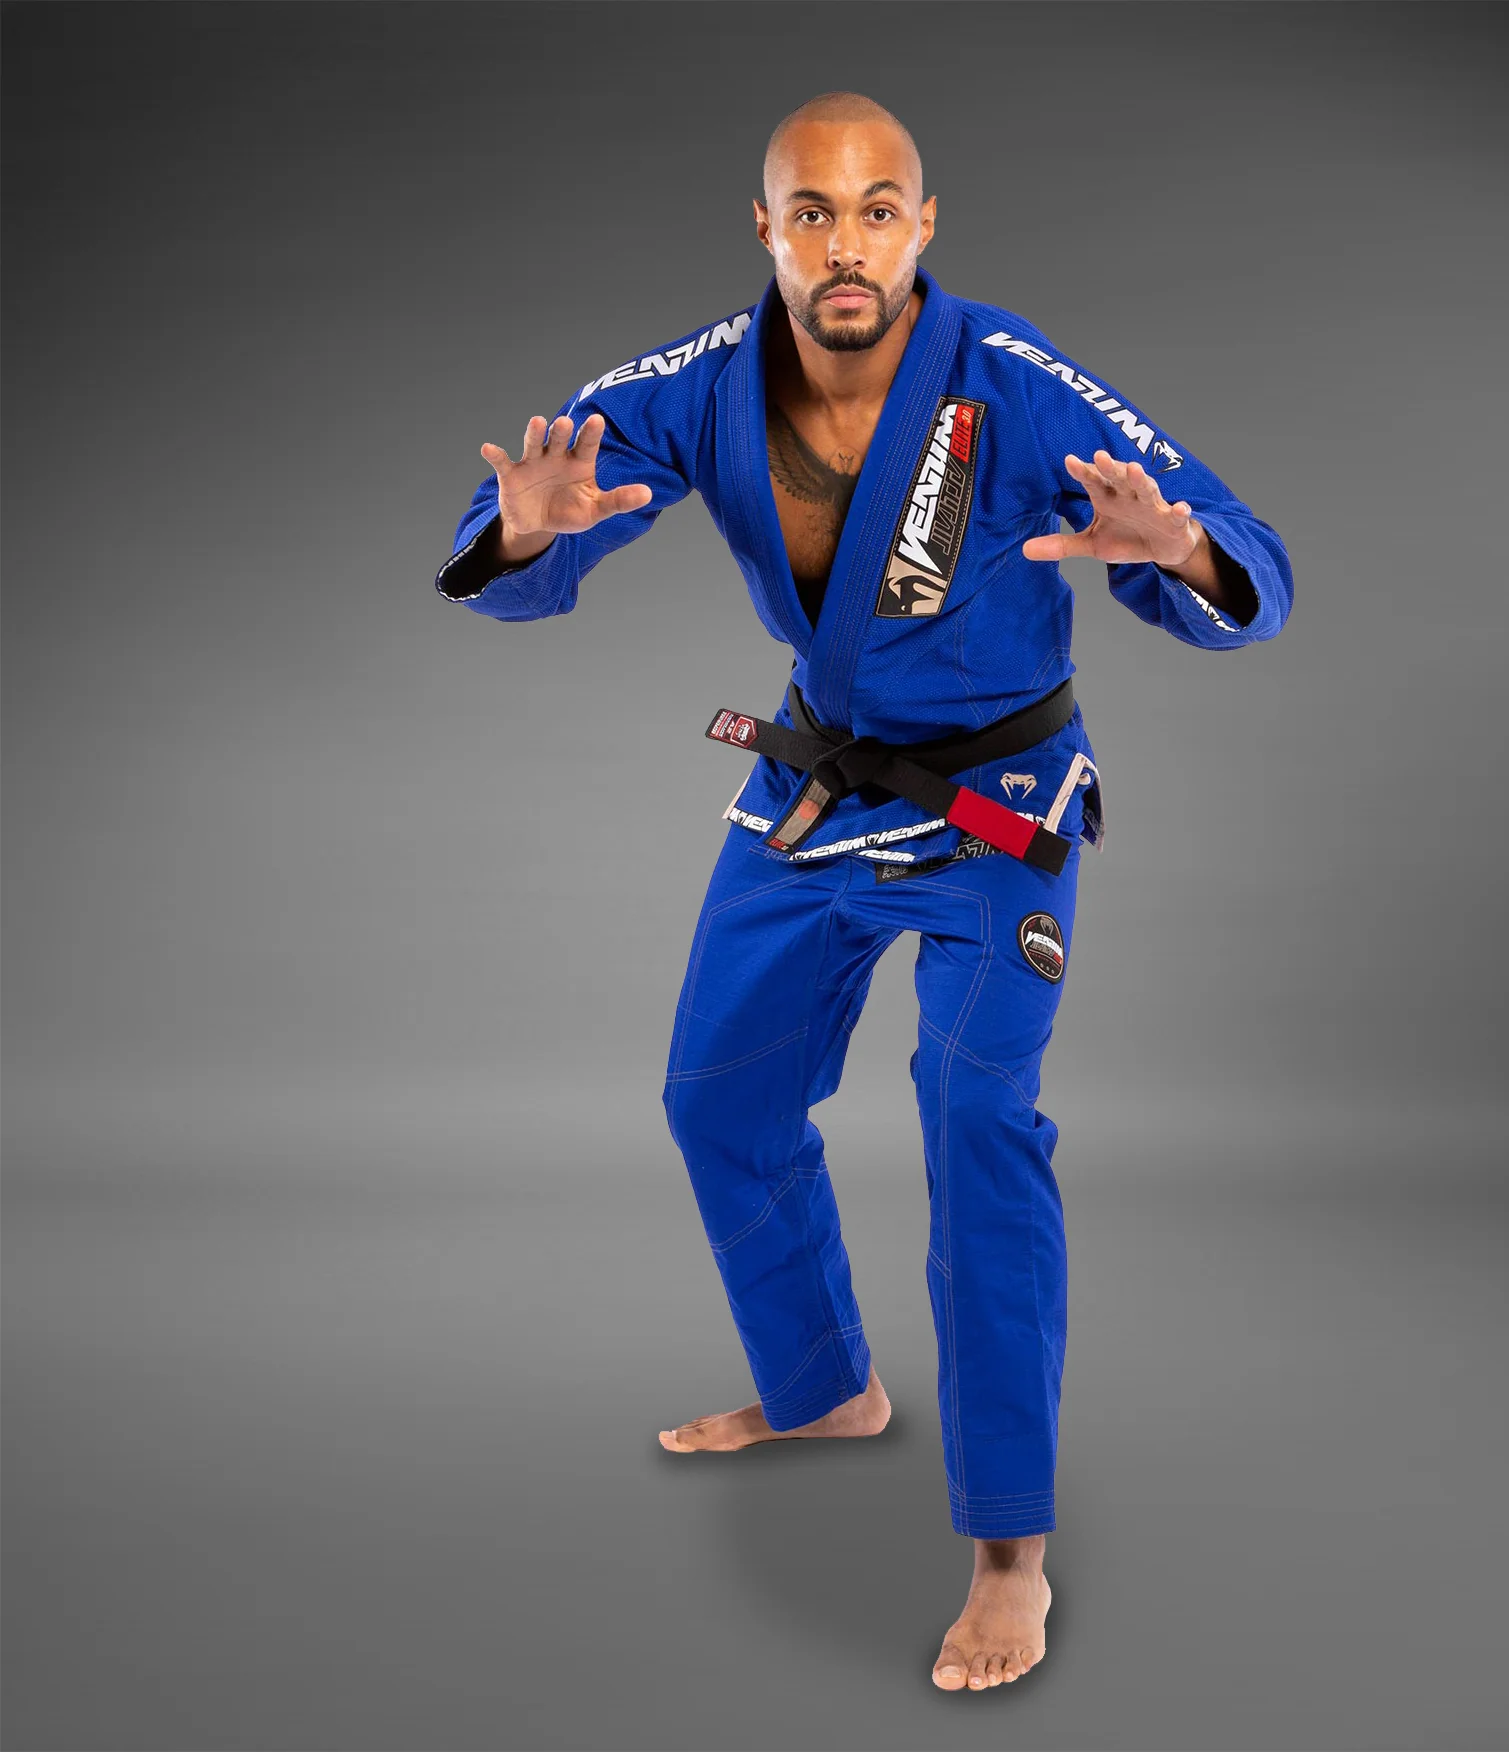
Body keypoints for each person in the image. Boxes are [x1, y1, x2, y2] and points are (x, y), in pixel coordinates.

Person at [434, 91, 1293, 1692]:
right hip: (818, 789)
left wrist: (1177, 555)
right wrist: (519, 536)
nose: (847, 245)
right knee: (717, 1099)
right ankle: (826, 1384)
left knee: (976, 1124)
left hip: (994, 810)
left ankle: (1011, 1551)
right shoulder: (702, 381)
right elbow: (525, 520)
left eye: (877, 209)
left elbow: (1244, 548)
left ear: (924, 225)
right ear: (765, 227)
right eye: (813, 212)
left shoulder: (1013, 378)